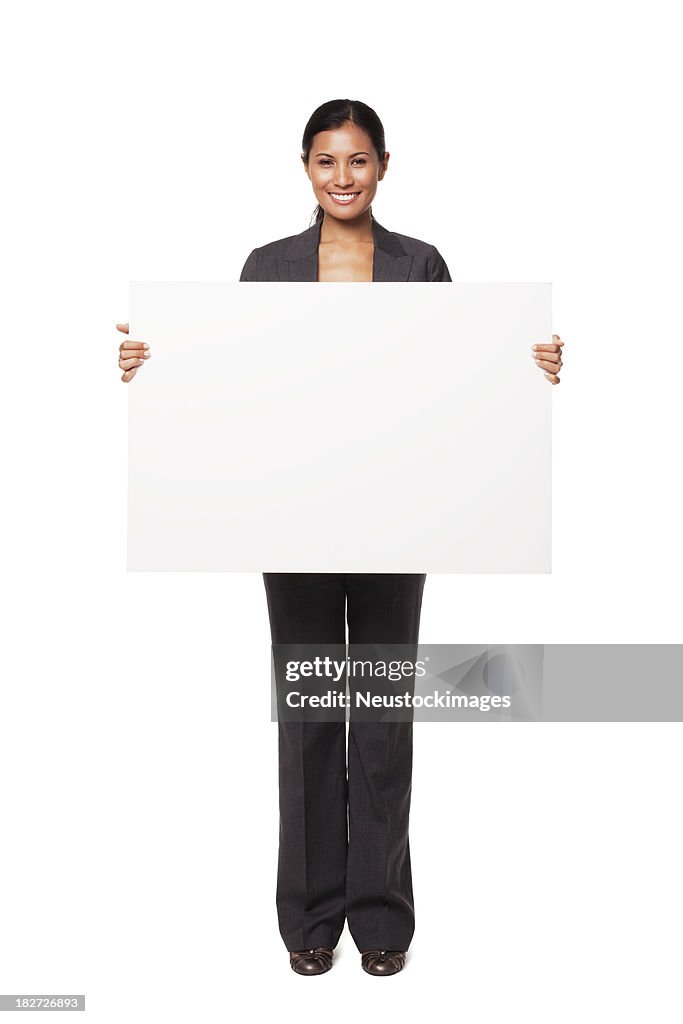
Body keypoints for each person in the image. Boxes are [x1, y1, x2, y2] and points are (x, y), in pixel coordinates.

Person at [117, 98, 564, 977]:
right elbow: (229, 379)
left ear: (383, 166)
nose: (342, 177)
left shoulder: (418, 262)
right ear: (305, 168)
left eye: (357, 161)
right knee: (314, 710)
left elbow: (461, 378)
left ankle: (382, 916)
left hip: (401, 514)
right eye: (326, 161)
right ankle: (310, 918)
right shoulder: (269, 264)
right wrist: (153, 365)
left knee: (384, 712)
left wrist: (530, 367)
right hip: (294, 515)